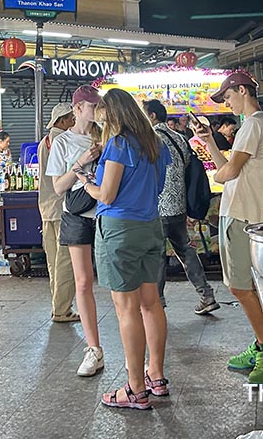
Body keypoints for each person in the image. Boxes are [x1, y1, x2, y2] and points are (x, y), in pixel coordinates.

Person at [77, 88, 171, 410]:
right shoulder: (156, 144)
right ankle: (155, 377)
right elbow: (154, 188)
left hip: (120, 231)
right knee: (151, 304)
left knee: (127, 308)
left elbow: (106, 195)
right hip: (150, 227)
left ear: (113, 115)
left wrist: (85, 180)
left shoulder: (118, 144)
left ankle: (134, 388)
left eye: (103, 118)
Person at [193, 70, 263, 385]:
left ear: (243, 91)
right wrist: (209, 143)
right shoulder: (258, 125)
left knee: (240, 287)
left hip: (242, 214)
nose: (227, 103)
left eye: (228, 96)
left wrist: (217, 177)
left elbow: (227, 173)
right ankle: (262, 345)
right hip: (243, 211)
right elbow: (228, 167)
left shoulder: (253, 124)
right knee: (244, 285)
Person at [48, 85, 104, 376]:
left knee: (117, 283)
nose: (98, 112)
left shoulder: (107, 137)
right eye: (94, 107)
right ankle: (93, 348)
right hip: (78, 215)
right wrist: (82, 162)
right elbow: (58, 187)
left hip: (107, 212)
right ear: (79, 108)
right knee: (83, 281)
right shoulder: (62, 142)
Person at [143, 99, 219, 315]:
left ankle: (157, 302)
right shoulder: (179, 138)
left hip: (157, 207)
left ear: (152, 116)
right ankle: (207, 295)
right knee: (185, 250)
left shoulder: (148, 139)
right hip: (178, 207)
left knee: (156, 255)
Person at [37, 102, 79, 323]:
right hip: (62, 208)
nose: (74, 122)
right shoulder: (63, 141)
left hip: (46, 209)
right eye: (71, 118)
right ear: (61, 121)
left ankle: (58, 306)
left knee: (54, 263)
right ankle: (62, 310)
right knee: (65, 262)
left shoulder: (44, 142)